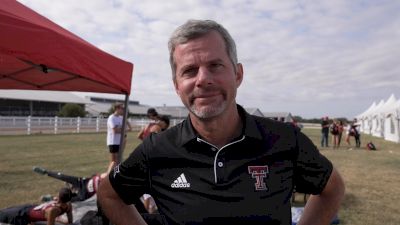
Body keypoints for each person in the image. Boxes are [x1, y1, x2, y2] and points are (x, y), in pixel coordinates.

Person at [98, 19, 345, 225]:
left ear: (238, 74)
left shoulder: (285, 140)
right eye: (189, 70)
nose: (203, 79)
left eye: (215, 65)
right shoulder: (156, 150)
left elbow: (332, 188)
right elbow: (109, 195)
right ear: (176, 86)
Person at [0, 187, 73, 225]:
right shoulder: (68, 205)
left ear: (60, 197)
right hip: (29, 208)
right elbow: (70, 221)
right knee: (5, 211)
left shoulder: (53, 210)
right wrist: (59, 219)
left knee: (2, 215)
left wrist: (57, 219)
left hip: (23, 216)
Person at [107, 102, 132, 172]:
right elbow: (115, 131)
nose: (124, 110)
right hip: (113, 142)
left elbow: (130, 128)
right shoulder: (111, 118)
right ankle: (107, 176)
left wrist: (126, 124)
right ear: (117, 109)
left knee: (119, 160)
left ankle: (115, 175)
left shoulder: (121, 118)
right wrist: (124, 130)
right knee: (114, 161)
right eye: (122, 108)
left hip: (120, 142)